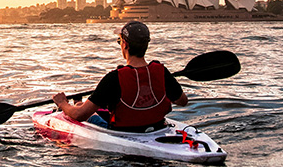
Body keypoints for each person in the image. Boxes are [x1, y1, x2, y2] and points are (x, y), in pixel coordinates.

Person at [52, 20, 188, 132]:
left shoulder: (114, 78)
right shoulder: (162, 71)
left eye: (119, 41)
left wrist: (62, 102)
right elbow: (183, 101)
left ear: (125, 45)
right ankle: (79, 103)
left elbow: (79, 115)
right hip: (157, 128)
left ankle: (76, 104)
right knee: (87, 106)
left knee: (84, 112)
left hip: (122, 132)